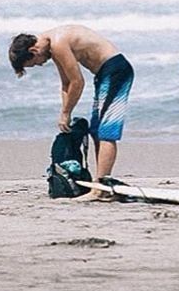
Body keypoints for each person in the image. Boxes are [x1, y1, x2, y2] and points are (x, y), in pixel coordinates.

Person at [8, 25, 134, 199]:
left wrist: (67, 113)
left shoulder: (58, 43)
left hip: (116, 70)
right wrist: (63, 113)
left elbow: (78, 82)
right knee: (96, 131)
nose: (41, 64)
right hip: (105, 73)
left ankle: (101, 188)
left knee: (106, 131)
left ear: (33, 50)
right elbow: (66, 84)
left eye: (35, 63)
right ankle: (100, 185)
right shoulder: (52, 47)